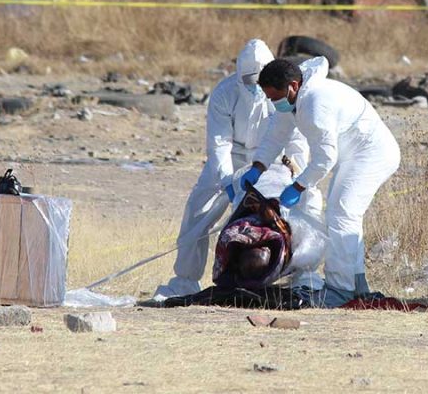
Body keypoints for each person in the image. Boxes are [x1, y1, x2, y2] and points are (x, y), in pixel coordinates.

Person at [153, 39, 311, 302]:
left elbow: (296, 138)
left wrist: (296, 169)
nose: (254, 86)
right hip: (233, 159)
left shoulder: (280, 93)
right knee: (199, 207)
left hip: (272, 160)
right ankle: (185, 280)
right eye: (249, 79)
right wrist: (229, 180)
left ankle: (305, 275)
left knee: (304, 204)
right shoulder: (224, 93)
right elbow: (219, 144)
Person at [241, 56, 401, 307]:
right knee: (342, 214)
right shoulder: (292, 100)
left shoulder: (315, 104)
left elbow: (325, 157)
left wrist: (298, 187)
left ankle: (340, 289)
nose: (274, 103)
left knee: (342, 214)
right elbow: (276, 135)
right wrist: (258, 167)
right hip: (352, 156)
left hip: (372, 155)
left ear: (293, 86)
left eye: (275, 98)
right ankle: (357, 285)